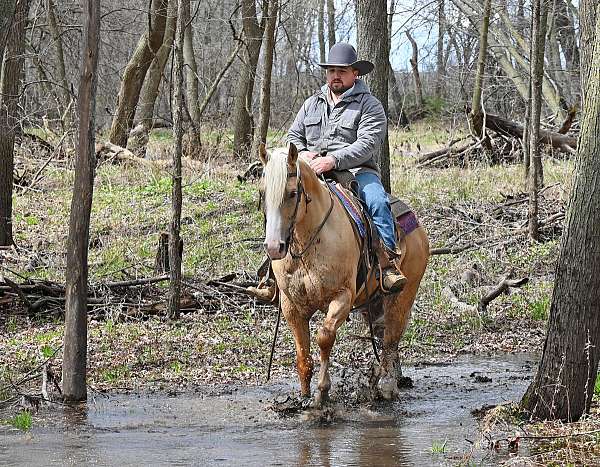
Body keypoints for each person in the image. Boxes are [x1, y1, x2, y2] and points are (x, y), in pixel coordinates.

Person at [252, 42, 406, 301]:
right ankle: (271, 272)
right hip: (311, 172)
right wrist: (303, 153)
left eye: (342, 71)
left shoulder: (370, 105)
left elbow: (367, 143)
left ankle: (387, 264)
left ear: (355, 73)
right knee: (280, 200)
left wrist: (333, 160)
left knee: (378, 202)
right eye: (331, 70)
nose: (335, 75)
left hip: (356, 172)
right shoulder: (312, 103)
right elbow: (294, 135)